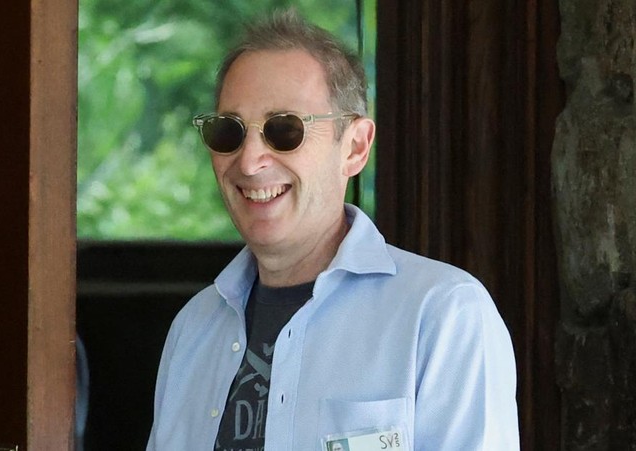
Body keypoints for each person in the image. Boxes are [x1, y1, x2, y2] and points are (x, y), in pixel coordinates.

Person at [147, 9, 518, 450]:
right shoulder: (193, 330)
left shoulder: (442, 315)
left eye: (284, 131)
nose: (249, 161)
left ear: (355, 147)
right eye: (230, 132)